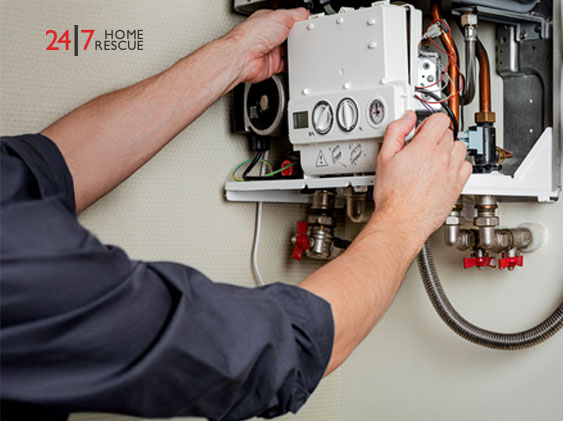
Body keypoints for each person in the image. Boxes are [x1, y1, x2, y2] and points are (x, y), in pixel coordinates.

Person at [0, 8, 471, 420]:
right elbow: (272, 351)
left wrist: (234, 55)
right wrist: (404, 216)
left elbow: (52, 166)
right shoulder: (23, 277)